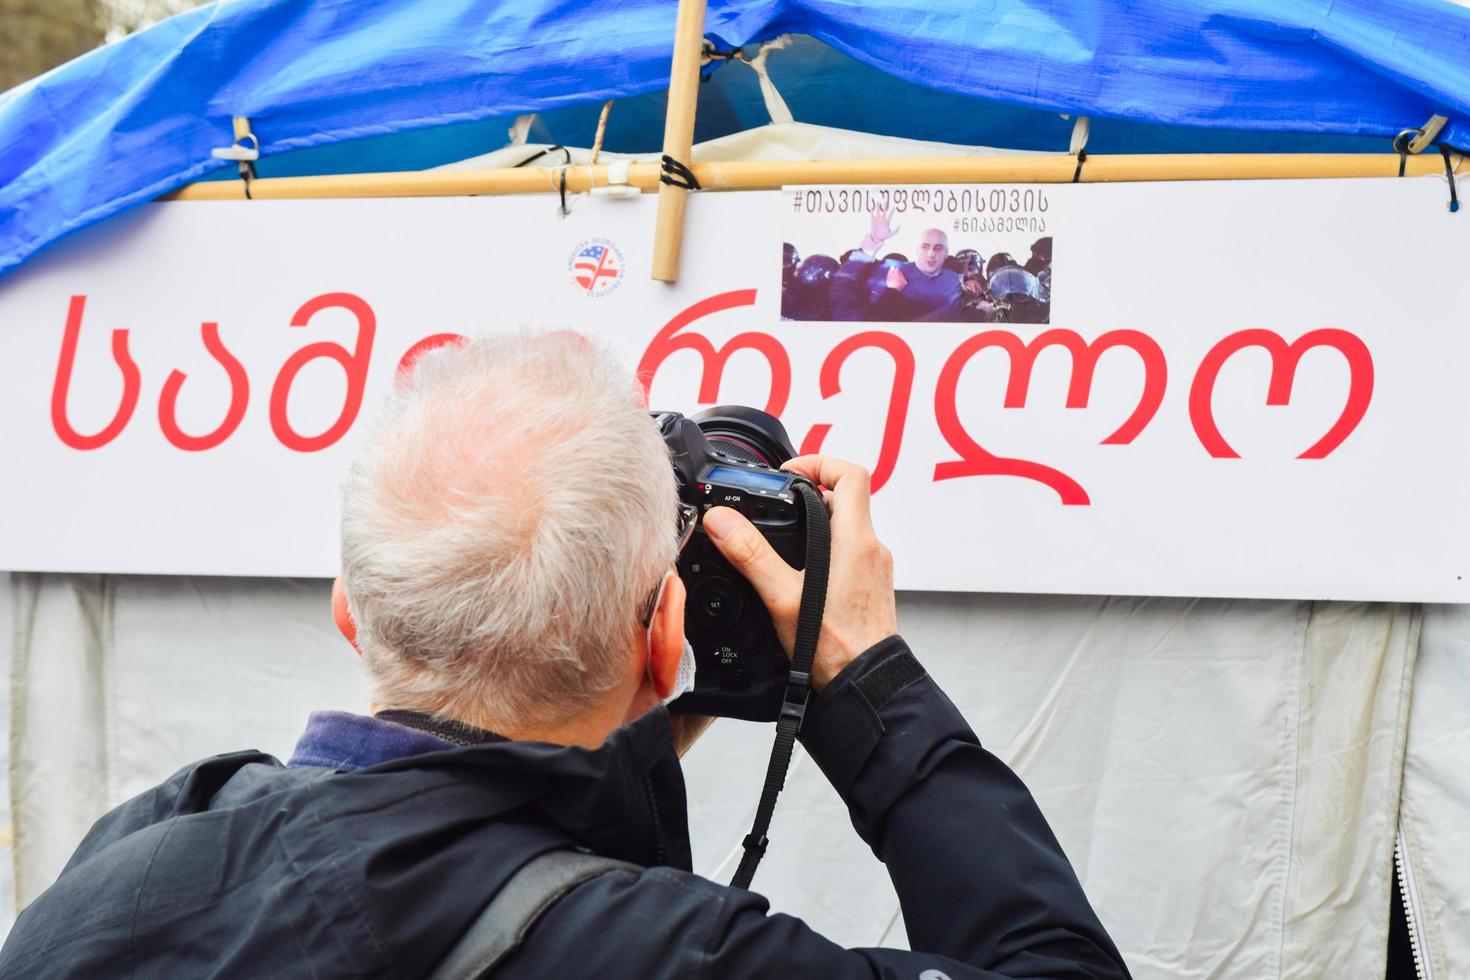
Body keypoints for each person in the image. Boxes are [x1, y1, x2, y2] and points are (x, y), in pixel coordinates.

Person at [0, 334, 1129, 979]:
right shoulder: (668, 954)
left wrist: (631, 713)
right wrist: (868, 679)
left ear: (352, 610)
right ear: (667, 635)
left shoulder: (140, 852)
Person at [841, 207, 964, 321]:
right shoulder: (892, 269)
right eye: (925, 247)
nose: (931, 253)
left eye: (938, 248)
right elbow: (844, 280)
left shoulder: (954, 280)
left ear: (946, 253)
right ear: (916, 249)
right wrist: (873, 242)